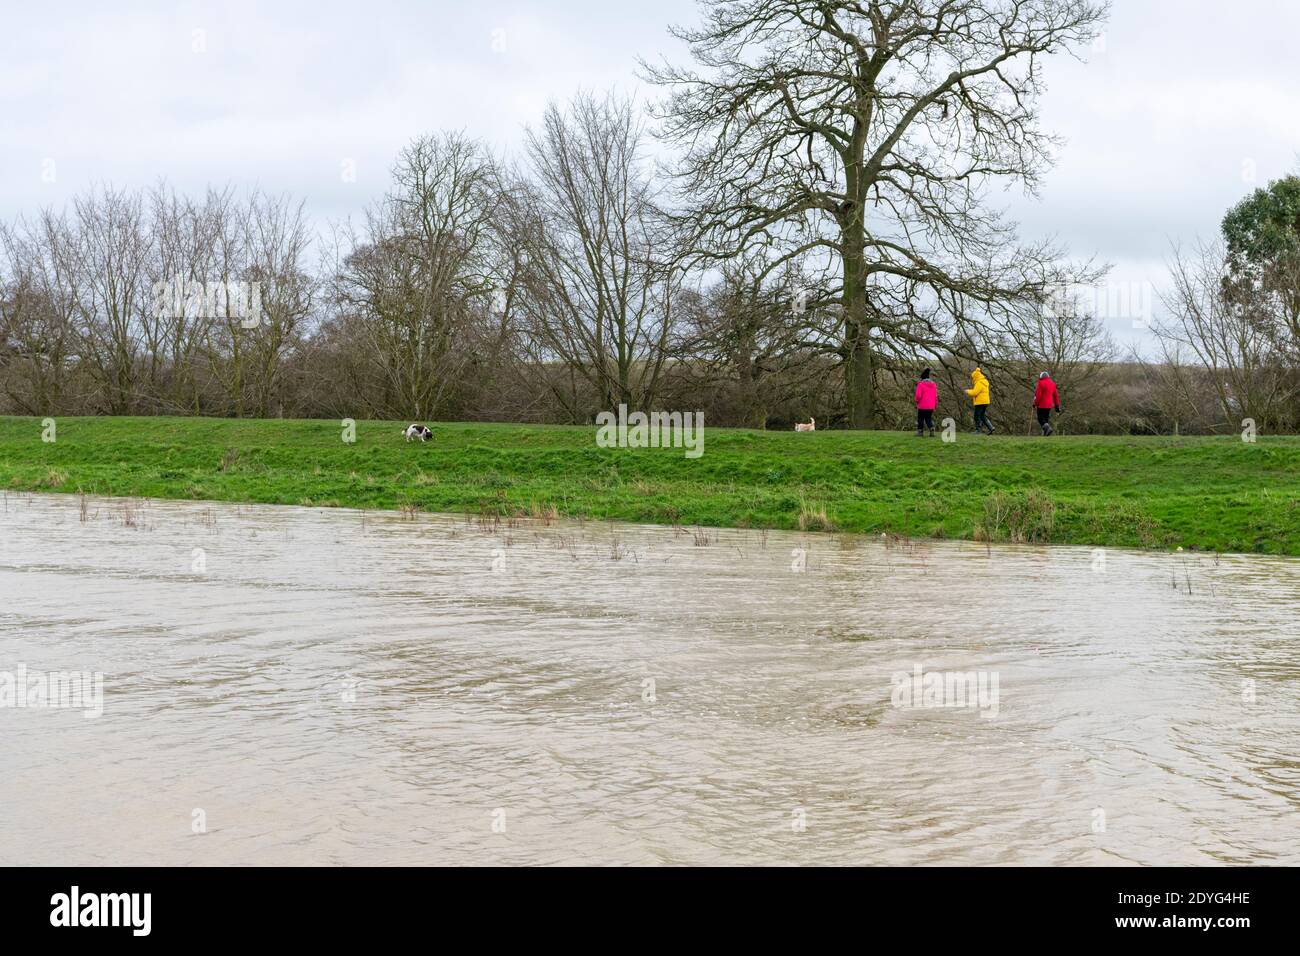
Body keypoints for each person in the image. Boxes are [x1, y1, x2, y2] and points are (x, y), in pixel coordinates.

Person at [965, 366, 994, 434]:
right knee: (982, 415)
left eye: (973, 377)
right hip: (985, 401)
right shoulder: (984, 382)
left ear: (976, 377)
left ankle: (978, 430)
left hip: (980, 402)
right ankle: (991, 427)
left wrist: (967, 391)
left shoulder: (979, 383)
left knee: (976, 416)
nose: (972, 379)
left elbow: (975, 393)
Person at [914, 367, 938, 437]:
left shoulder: (920, 384)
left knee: (920, 418)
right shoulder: (933, 385)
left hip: (922, 405)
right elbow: (935, 396)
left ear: (922, 378)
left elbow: (918, 395)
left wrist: (917, 401)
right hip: (931, 406)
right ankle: (931, 429)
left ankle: (920, 432)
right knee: (928, 418)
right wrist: (935, 405)